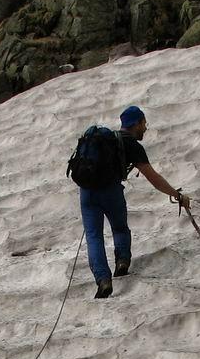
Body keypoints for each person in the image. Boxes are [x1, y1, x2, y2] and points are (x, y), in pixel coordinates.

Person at [79, 105, 192, 298]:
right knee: (120, 228)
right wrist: (177, 195)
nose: (146, 128)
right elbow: (154, 178)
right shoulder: (132, 146)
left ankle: (103, 280)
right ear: (136, 123)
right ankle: (122, 261)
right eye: (144, 123)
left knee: (93, 236)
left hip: (87, 193)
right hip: (111, 191)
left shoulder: (104, 141)